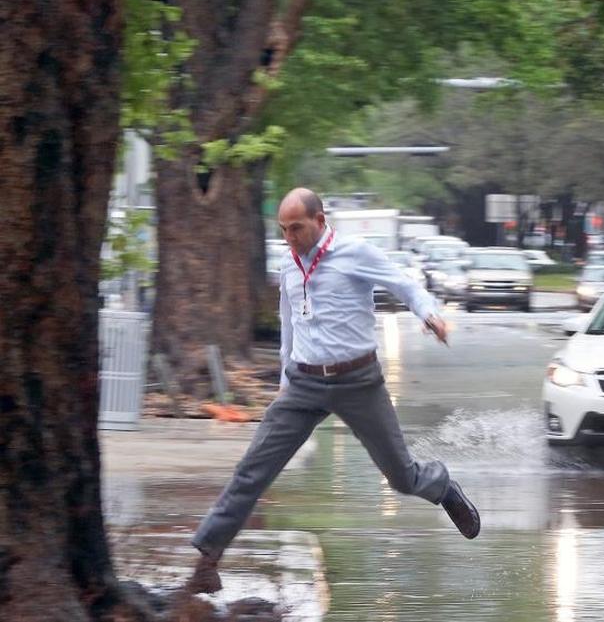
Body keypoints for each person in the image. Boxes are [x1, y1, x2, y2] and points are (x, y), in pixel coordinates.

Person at [186, 188, 479, 594]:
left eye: (297, 228)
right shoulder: (289, 266)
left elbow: (403, 284)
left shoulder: (354, 252)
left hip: (359, 381)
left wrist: (430, 314)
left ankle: (442, 486)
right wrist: (286, 384)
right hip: (304, 384)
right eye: (284, 230)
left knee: (400, 476)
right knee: (253, 471)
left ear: (320, 221)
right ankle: (206, 561)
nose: (290, 237)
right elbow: (289, 326)